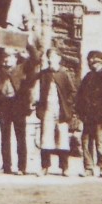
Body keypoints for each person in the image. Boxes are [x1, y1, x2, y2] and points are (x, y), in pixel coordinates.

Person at [0, 48, 37, 175]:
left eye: (10, 56)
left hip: (18, 105)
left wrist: (28, 45)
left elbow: (35, 61)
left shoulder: (22, 68)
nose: (6, 59)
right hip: (3, 105)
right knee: (4, 137)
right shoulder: (0, 70)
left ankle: (22, 167)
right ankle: (6, 166)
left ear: (16, 58)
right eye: (5, 56)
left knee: (20, 137)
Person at [36, 45, 76, 175]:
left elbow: (72, 92)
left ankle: (64, 167)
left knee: (62, 138)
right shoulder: (44, 74)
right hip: (47, 108)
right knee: (46, 138)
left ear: (59, 58)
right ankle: (44, 166)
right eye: (49, 57)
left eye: (52, 57)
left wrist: (68, 105)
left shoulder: (64, 74)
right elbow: (39, 90)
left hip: (61, 110)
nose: (50, 60)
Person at [75, 50, 102, 178]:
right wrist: (80, 112)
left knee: (100, 142)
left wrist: (101, 111)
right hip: (87, 116)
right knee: (86, 142)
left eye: (96, 62)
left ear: (101, 62)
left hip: (99, 116)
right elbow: (80, 95)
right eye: (91, 63)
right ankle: (88, 168)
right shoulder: (88, 77)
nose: (93, 65)